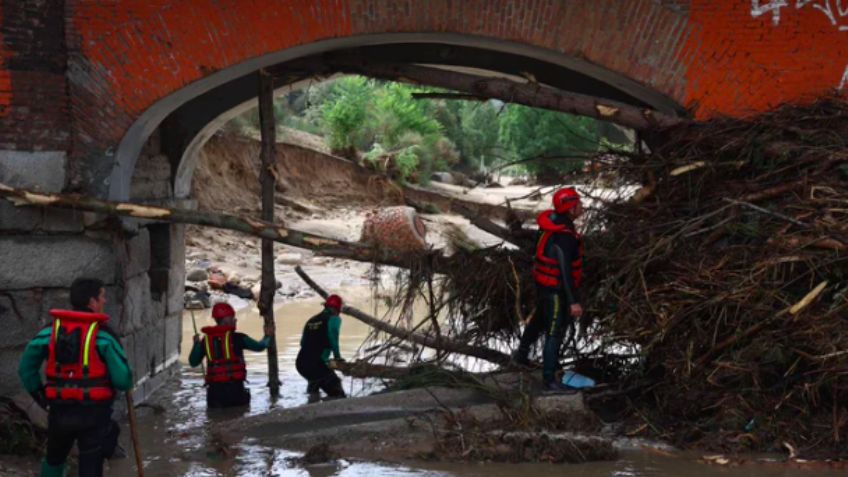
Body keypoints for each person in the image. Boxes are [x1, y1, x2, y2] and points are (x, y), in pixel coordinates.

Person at [18, 278, 133, 477]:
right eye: (102, 297)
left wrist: (40, 395)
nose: (104, 302)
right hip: (93, 414)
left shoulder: (49, 333)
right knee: (91, 461)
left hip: (59, 411)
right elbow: (123, 380)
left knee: (54, 458)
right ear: (92, 301)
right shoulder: (104, 338)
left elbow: (25, 369)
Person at [513, 187, 586, 393]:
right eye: (578, 204)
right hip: (555, 289)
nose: (582, 207)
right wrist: (573, 301)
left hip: (543, 284)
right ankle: (549, 380)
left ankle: (521, 355)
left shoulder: (552, 223)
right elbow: (564, 270)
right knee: (555, 331)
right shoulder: (565, 236)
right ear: (571, 209)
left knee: (538, 321)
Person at [188, 302, 274, 408]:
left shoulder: (205, 341)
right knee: (238, 416)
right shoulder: (238, 338)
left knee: (215, 421)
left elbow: (193, 362)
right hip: (235, 391)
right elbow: (260, 346)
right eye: (233, 318)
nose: (235, 320)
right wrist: (267, 336)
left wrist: (195, 344)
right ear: (226, 320)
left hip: (214, 393)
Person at [296, 295, 346, 400]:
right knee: (338, 393)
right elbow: (333, 339)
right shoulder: (334, 319)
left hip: (301, 363)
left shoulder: (311, 320)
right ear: (337, 309)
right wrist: (337, 358)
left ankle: (311, 404)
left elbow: (302, 343)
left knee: (315, 385)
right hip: (316, 364)